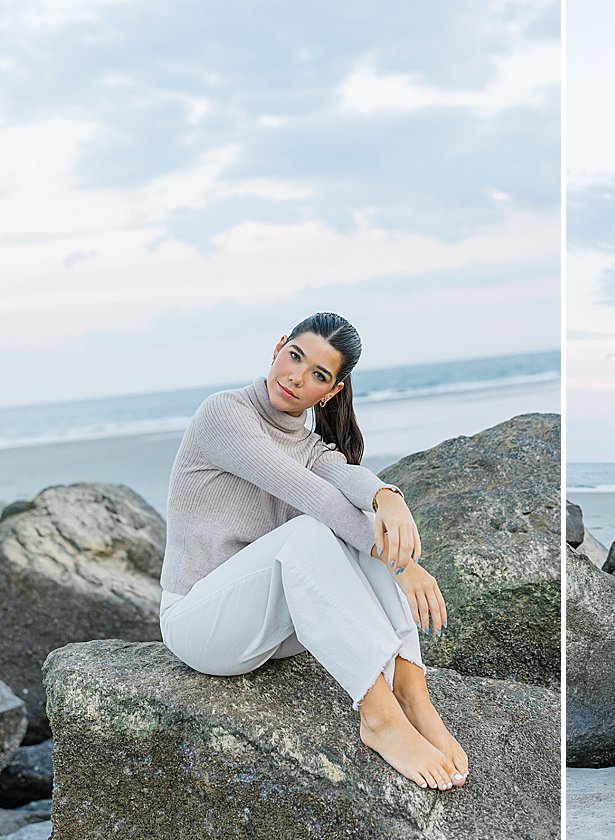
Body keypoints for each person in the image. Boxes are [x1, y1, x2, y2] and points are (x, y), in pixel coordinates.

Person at [159, 312, 469, 791]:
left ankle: (411, 690)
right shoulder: (224, 414)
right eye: (295, 356)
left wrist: (387, 497)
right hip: (201, 624)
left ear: (331, 393)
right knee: (313, 529)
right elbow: (313, 496)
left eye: (318, 375)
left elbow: (343, 477)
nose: (296, 377)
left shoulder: (306, 443)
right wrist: (403, 565)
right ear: (278, 346)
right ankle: (379, 716)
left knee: (362, 524)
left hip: (269, 632)